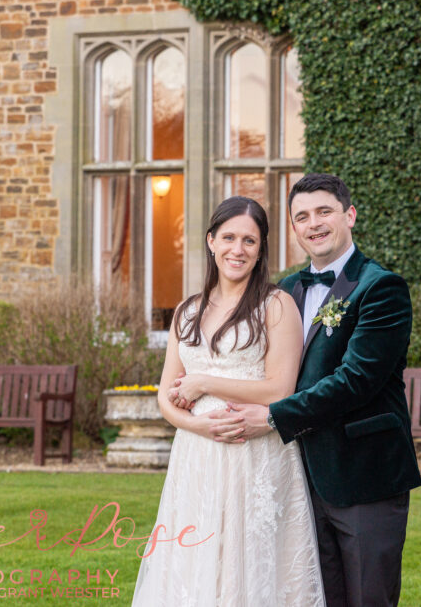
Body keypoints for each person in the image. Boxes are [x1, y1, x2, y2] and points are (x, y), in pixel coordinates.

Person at [175, 173, 421, 607]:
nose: (314, 224)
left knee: (368, 598)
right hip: (296, 476)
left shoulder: (381, 288)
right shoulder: (283, 292)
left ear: (349, 215)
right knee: (311, 595)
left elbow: (356, 381)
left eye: (324, 211)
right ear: (293, 228)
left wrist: (273, 415)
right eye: (302, 217)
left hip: (363, 474)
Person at [131, 196, 325, 606]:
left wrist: (202, 382)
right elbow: (166, 397)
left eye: (250, 241)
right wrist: (195, 425)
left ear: (261, 250)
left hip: (253, 456)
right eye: (230, 238)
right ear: (211, 241)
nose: (238, 249)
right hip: (197, 458)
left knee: (252, 564)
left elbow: (280, 389)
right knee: (195, 564)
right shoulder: (186, 311)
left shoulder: (276, 305)